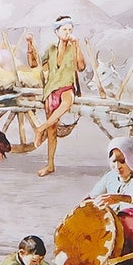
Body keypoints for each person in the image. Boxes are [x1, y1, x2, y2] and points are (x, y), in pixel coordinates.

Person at [34, 14, 87, 176]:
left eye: (70, 29)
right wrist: (30, 45)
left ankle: (40, 128)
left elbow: (81, 67)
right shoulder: (51, 49)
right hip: (51, 89)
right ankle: (50, 165)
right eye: (64, 29)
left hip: (67, 88)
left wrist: (77, 46)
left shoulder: (74, 48)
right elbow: (34, 64)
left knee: (66, 102)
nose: (67, 32)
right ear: (56, 32)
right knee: (52, 131)